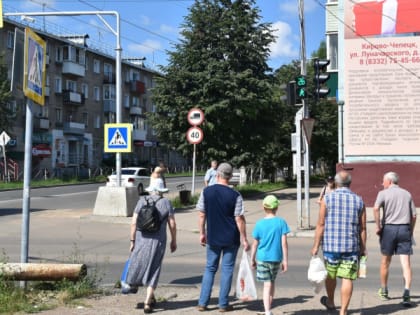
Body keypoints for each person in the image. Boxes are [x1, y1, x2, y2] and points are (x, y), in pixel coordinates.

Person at [311, 171, 366, 315]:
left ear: (335, 183)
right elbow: (362, 228)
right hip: (351, 247)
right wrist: (363, 248)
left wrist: (316, 245)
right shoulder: (359, 200)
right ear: (350, 183)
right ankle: (343, 311)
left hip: (331, 247)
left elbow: (321, 224)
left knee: (331, 275)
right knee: (347, 278)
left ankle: (331, 302)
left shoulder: (327, 199)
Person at [196, 162, 249, 312]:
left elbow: (201, 214)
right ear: (231, 176)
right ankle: (223, 304)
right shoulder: (236, 195)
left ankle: (202, 303)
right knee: (227, 270)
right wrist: (244, 239)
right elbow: (239, 218)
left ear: (217, 174)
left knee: (210, 268)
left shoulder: (206, 192)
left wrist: (202, 233)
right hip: (231, 238)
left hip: (212, 237)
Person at [126, 182, 177, 313]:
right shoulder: (166, 202)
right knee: (154, 268)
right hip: (158, 241)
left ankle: (133, 283)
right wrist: (173, 240)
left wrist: (132, 241)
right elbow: (172, 223)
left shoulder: (141, 200)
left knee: (138, 263)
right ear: (161, 190)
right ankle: (148, 301)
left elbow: (133, 223)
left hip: (141, 240)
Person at [373, 171, 416, 306]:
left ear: (390, 181)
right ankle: (407, 293)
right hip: (404, 229)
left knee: (385, 261)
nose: (382, 183)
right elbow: (414, 215)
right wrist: (411, 230)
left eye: (383, 181)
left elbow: (375, 208)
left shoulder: (383, 194)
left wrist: (378, 226)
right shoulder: (407, 193)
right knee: (406, 263)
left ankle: (384, 290)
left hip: (389, 229)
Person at [251, 195, 290, 315]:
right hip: (276, 258)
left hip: (262, 258)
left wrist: (252, 259)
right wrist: (285, 261)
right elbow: (284, 243)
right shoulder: (281, 222)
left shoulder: (259, 224)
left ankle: (267, 311)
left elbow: (254, 244)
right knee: (272, 282)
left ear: (263, 207)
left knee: (266, 285)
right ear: (277, 207)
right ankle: (269, 307)